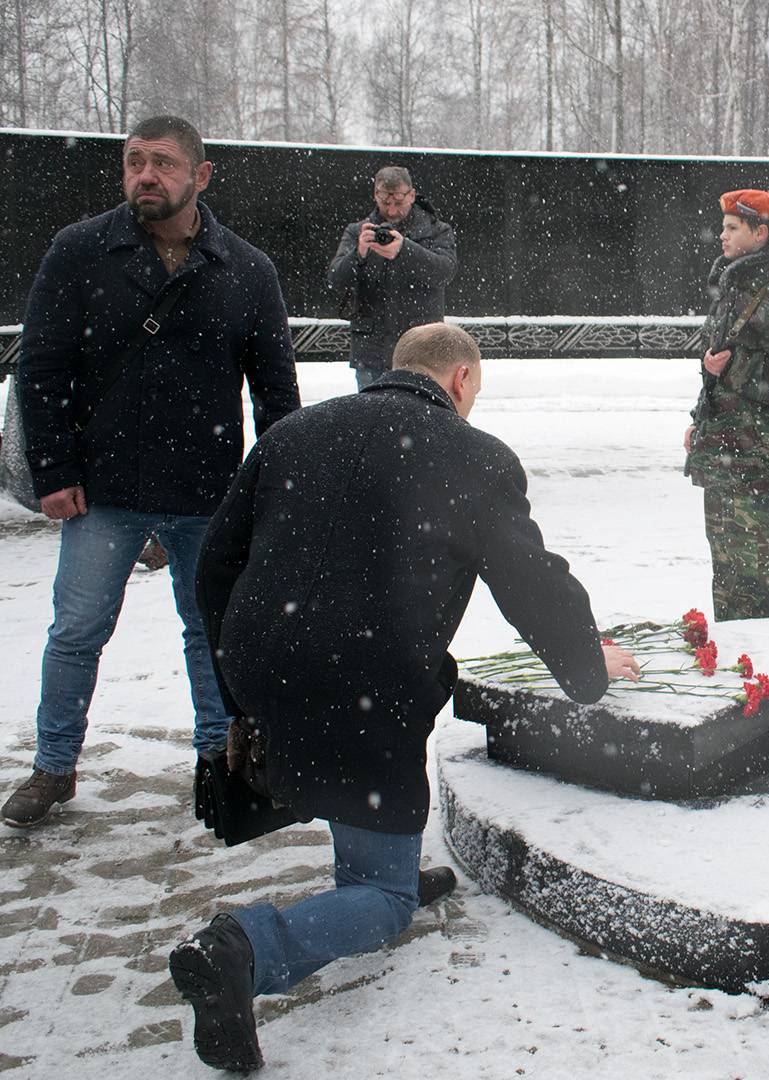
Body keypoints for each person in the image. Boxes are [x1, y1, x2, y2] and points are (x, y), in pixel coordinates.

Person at [169, 322, 639, 1072]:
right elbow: (533, 584)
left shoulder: (298, 431)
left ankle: (372, 857)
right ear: (459, 382)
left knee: (351, 749)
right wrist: (589, 671)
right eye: (473, 394)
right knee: (384, 902)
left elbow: (216, 563)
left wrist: (241, 676)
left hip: (271, 657)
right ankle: (246, 949)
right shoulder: (473, 456)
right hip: (362, 681)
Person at [1, 115, 302, 829]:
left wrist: (279, 489)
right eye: (134, 162)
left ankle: (215, 762)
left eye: (162, 163)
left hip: (209, 489)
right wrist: (53, 469)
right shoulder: (78, 252)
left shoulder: (247, 269)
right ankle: (54, 766)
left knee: (210, 631)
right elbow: (40, 367)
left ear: (199, 176)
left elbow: (275, 389)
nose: (145, 175)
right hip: (104, 488)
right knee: (76, 630)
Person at [682, 188, 769, 621]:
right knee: (727, 565)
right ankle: (736, 654)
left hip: (748, 454)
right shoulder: (736, 284)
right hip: (725, 448)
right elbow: (719, 362)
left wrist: (733, 368)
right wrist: (698, 420)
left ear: (760, 234)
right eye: (722, 227)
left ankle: (752, 658)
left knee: (744, 573)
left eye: (732, 228)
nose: (721, 236)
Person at [325, 166, 458, 389]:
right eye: (385, 202)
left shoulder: (437, 231)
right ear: (376, 195)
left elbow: (445, 272)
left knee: (421, 422)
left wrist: (405, 250)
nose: (392, 210)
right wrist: (358, 254)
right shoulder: (358, 232)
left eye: (398, 201)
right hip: (371, 352)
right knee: (372, 421)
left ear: (412, 195)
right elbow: (336, 279)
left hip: (422, 350)